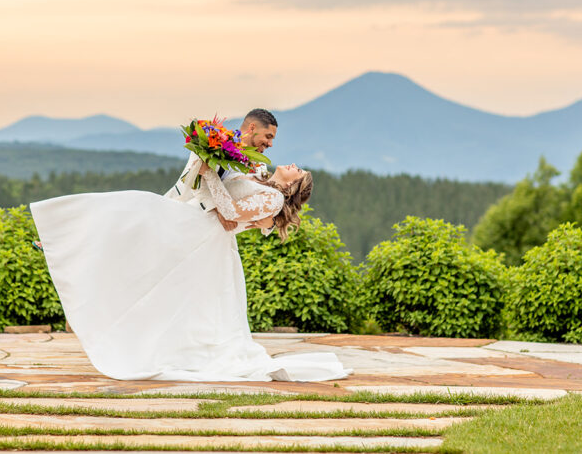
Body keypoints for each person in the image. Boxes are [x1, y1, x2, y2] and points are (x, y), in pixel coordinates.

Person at [29, 160, 350, 382]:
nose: (293, 165)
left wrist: (210, 173)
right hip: (197, 229)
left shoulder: (273, 200)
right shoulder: (260, 179)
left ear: (294, 185)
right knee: (129, 210)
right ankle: (67, 241)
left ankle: (71, 248)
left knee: (148, 254)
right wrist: (208, 162)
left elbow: (229, 213)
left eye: (298, 171)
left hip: (204, 238)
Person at [164, 109, 278, 230]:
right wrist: (218, 210)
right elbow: (194, 176)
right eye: (268, 136)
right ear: (252, 127)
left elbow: (261, 201)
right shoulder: (213, 139)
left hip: (216, 231)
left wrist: (270, 225)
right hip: (178, 209)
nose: (270, 144)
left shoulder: (259, 169)